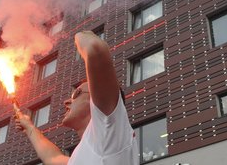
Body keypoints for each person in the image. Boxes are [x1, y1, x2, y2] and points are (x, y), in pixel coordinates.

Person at [14, 31, 138, 165]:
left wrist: (79, 34)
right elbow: (52, 158)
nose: (67, 101)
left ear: (96, 99)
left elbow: (94, 47)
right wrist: (29, 127)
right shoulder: (85, 153)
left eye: (76, 94)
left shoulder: (110, 127)